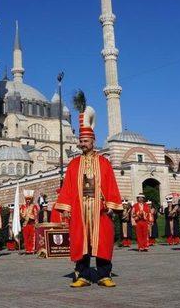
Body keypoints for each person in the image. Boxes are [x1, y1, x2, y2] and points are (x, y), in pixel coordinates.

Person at [54, 95, 122, 288]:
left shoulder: (104, 163)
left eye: (86, 140)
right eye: (81, 140)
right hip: (80, 209)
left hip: (99, 210)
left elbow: (111, 185)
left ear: (93, 141)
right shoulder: (74, 164)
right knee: (80, 242)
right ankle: (82, 275)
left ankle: (103, 275)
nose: (83, 143)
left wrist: (111, 205)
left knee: (102, 242)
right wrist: (66, 207)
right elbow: (67, 186)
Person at [20, 190, 39, 254]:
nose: (28, 200)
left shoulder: (34, 206)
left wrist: (33, 218)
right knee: (26, 237)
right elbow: (21, 214)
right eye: (27, 199)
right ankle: (27, 250)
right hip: (25, 224)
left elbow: (36, 215)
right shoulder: (22, 206)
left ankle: (32, 250)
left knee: (32, 237)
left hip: (32, 223)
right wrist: (24, 216)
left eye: (29, 199)